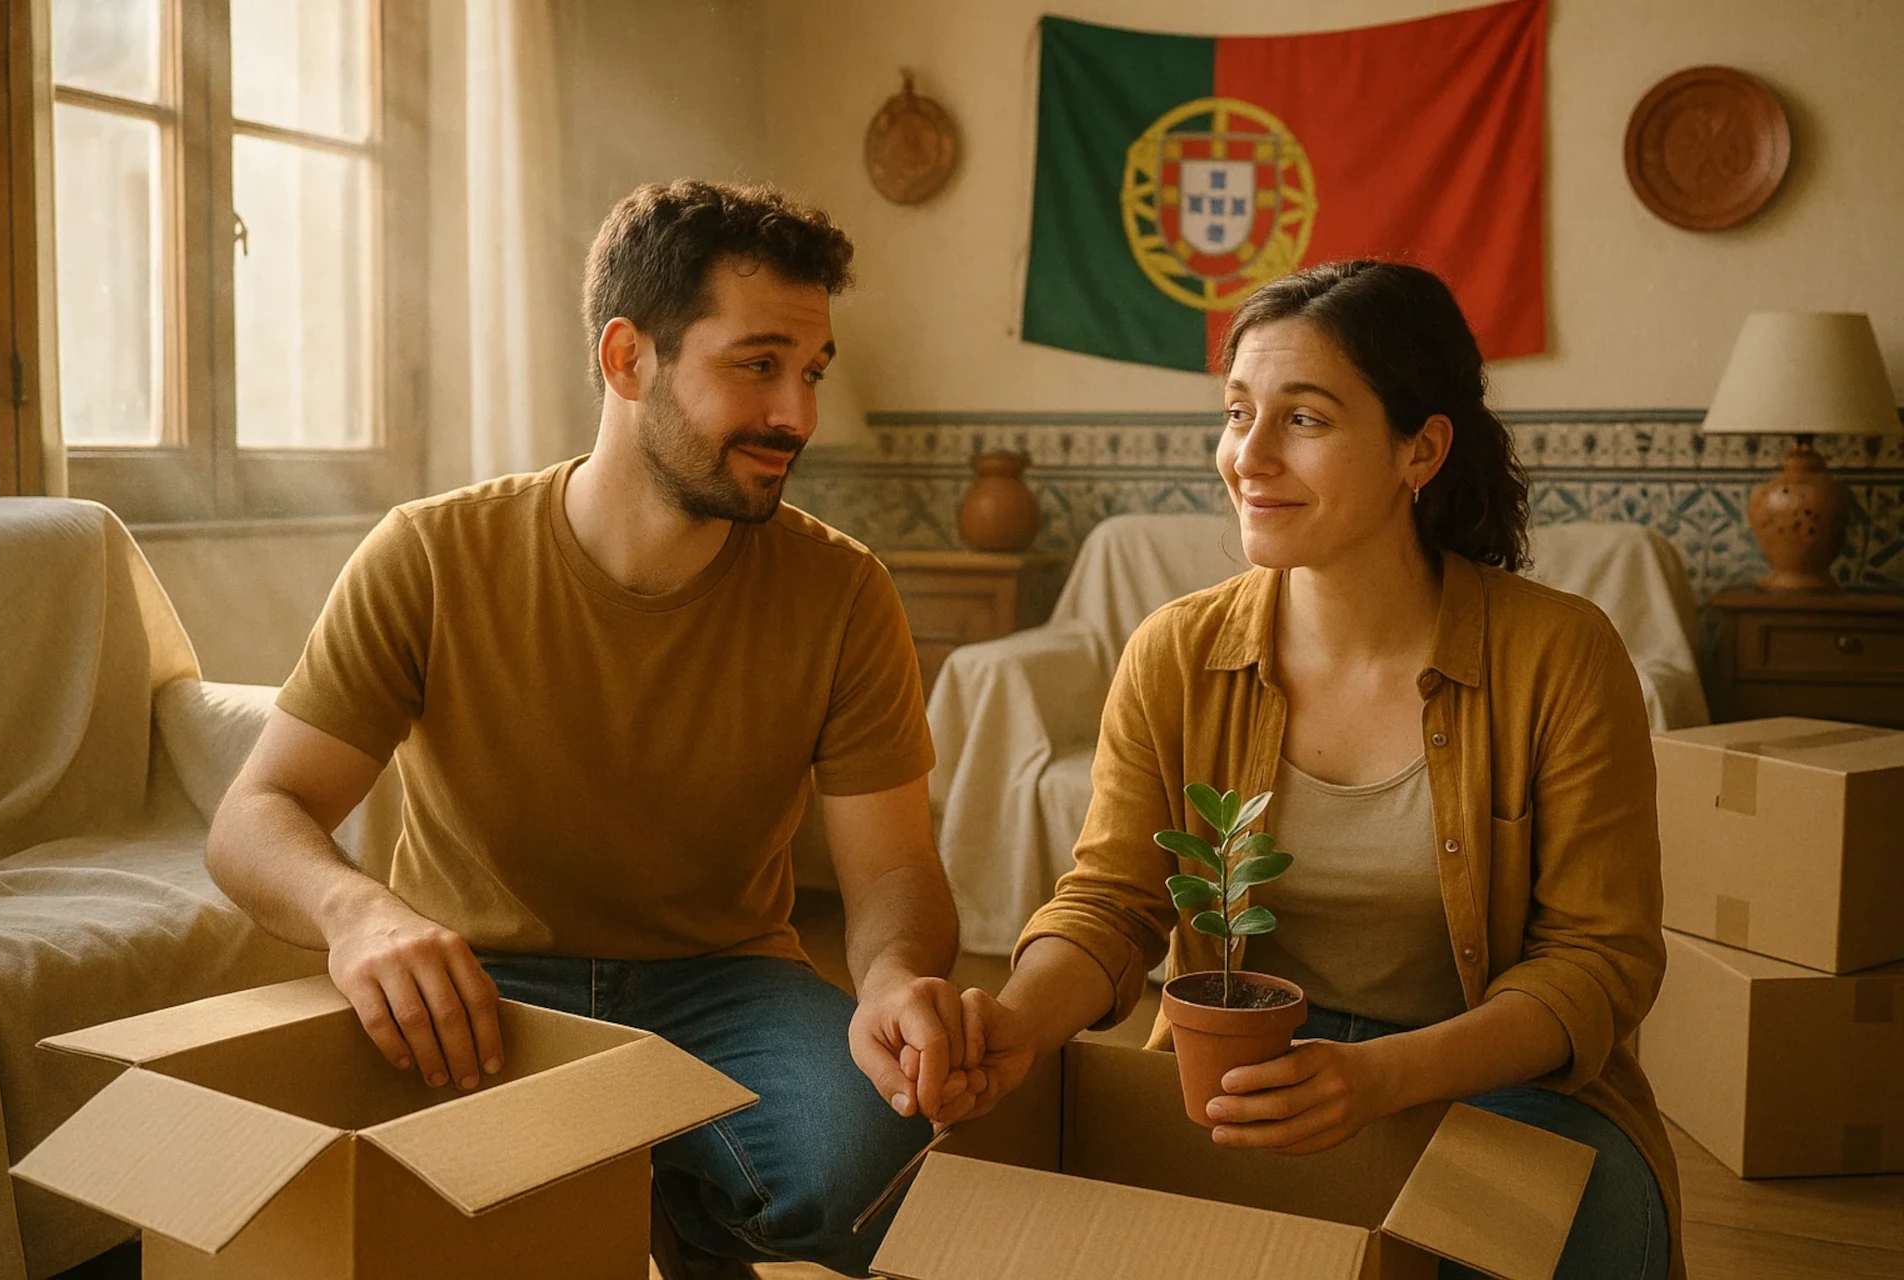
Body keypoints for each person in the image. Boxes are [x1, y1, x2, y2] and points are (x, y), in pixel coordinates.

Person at [207, 180, 968, 1280]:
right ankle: (647, 1179)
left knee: (880, 1170)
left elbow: (893, 861)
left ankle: (672, 1192)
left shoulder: (844, 591)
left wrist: (896, 975)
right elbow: (253, 815)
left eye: (810, 373)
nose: (797, 416)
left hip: (726, 982)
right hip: (482, 987)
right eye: (757, 365)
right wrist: (357, 915)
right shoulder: (429, 554)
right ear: (627, 359)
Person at [957, 261, 1683, 1280]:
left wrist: (1382, 1075)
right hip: (1243, 1076)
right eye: (1238, 411)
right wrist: (1014, 1022)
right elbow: (1112, 899)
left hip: (1499, 1076)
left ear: (1419, 449)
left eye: (1303, 419)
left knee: (1570, 1245)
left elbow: (1599, 961)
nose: (1246, 456)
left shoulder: (1562, 656)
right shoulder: (1174, 652)